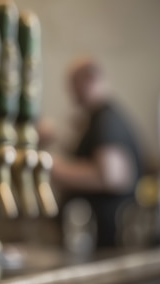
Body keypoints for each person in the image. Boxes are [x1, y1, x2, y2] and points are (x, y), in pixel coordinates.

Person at [51, 57, 144, 247]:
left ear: (89, 80)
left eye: (73, 85)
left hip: (105, 239)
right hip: (96, 237)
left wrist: (53, 167)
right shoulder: (98, 119)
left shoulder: (106, 120)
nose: (70, 93)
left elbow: (111, 176)